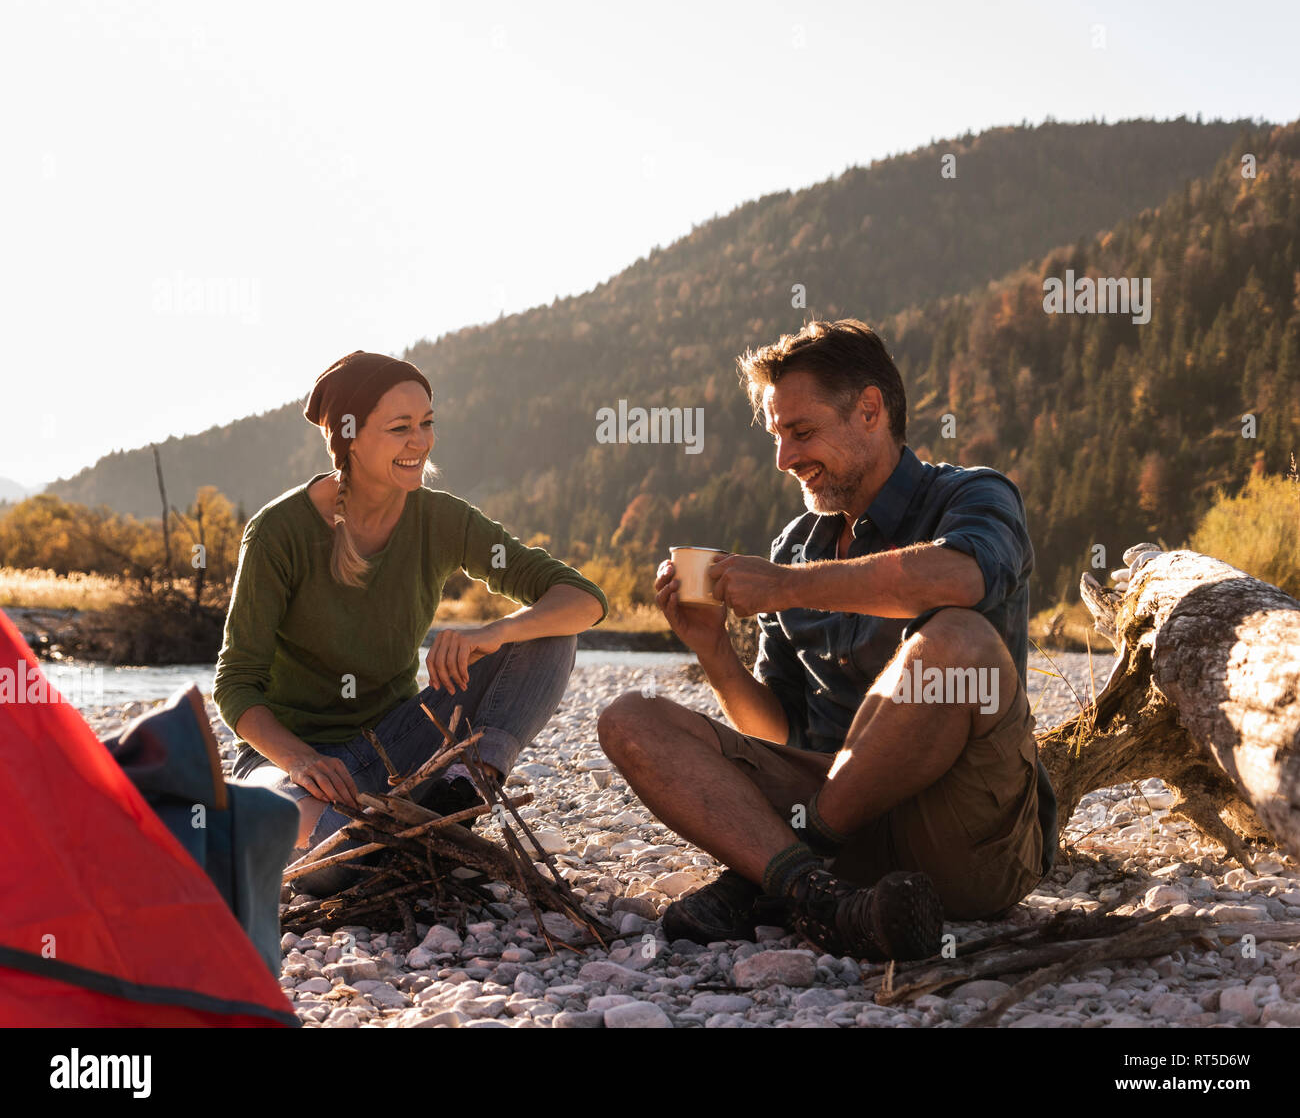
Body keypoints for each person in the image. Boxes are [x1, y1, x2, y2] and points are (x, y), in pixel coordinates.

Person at [598, 319, 1056, 961]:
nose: (785, 458)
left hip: (965, 836)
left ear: (870, 410)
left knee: (957, 640)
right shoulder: (796, 545)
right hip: (841, 828)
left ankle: (785, 867)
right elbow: (778, 731)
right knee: (629, 719)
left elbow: (962, 574)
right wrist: (713, 650)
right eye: (778, 435)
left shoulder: (973, 494)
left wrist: (787, 587)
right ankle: (821, 899)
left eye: (802, 432)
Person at [213, 350, 607, 893]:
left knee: (549, 630)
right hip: (287, 761)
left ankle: (458, 797)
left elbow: (582, 598)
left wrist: (493, 633)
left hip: (395, 745)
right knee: (314, 851)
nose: (420, 441)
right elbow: (236, 686)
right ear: (350, 437)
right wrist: (302, 760)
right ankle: (395, 843)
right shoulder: (280, 532)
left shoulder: (442, 518)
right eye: (400, 428)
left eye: (427, 424)